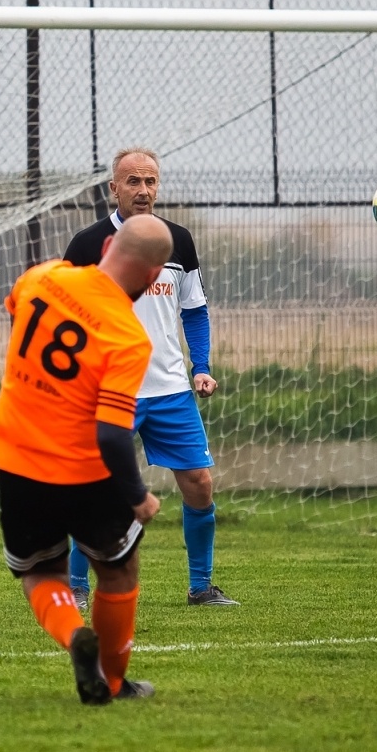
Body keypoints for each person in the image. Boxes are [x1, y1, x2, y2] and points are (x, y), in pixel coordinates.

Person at [0, 214, 173, 704]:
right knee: (117, 571)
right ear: (155, 278)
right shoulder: (130, 338)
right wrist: (138, 497)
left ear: (108, 243)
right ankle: (113, 682)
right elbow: (113, 436)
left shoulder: (43, 276)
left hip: (18, 459)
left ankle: (74, 637)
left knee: (40, 573)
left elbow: (16, 313)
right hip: (85, 470)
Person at [62, 148, 237, 607]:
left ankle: (201, 587)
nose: (143, 190)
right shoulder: (86, 245)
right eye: (133, 181)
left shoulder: (178, 241)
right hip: (108, 391)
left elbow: (195, 311)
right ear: (113, 188)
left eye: (151, 181)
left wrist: (201, 367)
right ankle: (76, 590)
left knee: (199, 482)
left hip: (170, 391)